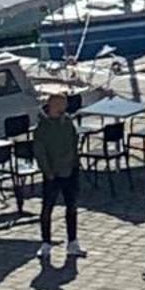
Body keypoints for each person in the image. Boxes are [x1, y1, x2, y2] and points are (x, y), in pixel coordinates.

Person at [32, 91, 84, 263]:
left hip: (70, 170)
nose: (65, 107)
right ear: (53, 105)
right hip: (53, 174)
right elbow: (40, 152)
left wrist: (74, 163)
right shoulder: (42, 127)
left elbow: (73, 141)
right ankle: (46, 242)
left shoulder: (67, 122)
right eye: (62, 104)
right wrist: (48, 172)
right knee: (47, 208)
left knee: (72, 207)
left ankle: (73, 242)